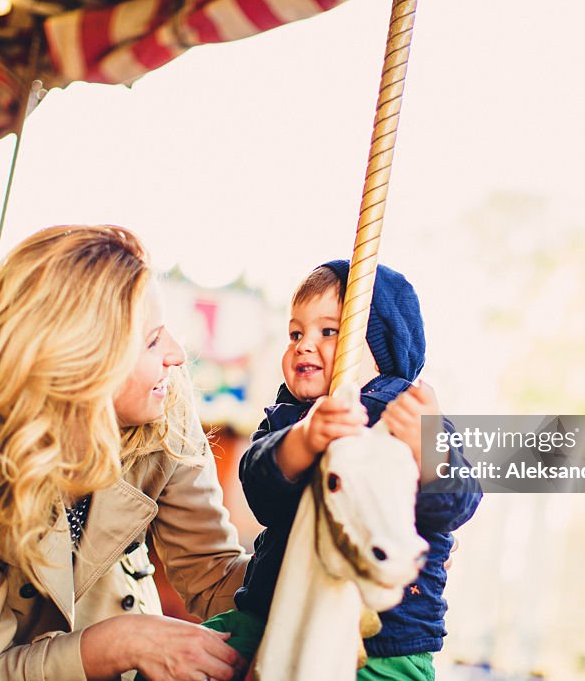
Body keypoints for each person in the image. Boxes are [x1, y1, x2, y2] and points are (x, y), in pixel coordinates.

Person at [0, 225, 249, 681]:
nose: (176, 354)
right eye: (152, 340)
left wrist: (298, 552)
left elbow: (212, 576)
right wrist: (119, 642)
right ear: (82, 365)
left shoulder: (166, 410)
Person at [202, 260, 482, 680]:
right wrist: (302, 440)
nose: (303, 345)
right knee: (190, 662)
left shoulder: (411, 417)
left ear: (381, 347)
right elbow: (260, 493)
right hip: (274, 613)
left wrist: (429, 452)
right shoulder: (287, 420)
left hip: (389, 637)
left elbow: (458, 504)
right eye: (295, 333)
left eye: (328, 332)